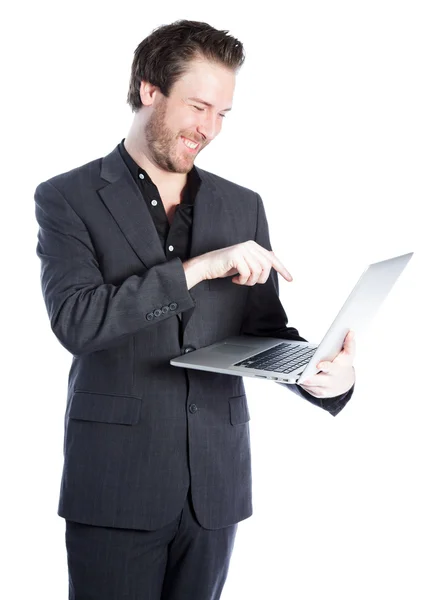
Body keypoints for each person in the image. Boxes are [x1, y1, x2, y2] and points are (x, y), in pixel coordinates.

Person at [34, 19, 355, 600]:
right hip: (114, 486)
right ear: (148, 89)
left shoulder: (242, 204)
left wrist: (320, 375)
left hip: (215, 487)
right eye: (199, 107)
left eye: (223, 114)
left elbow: (260, 331)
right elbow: (78, 321)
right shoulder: (67, 198)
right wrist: (200, 267)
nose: (209, 129)